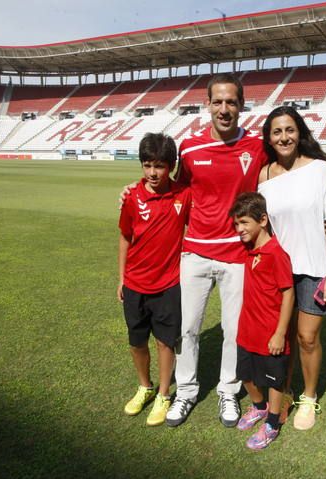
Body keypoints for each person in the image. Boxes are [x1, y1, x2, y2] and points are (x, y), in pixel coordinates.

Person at [164, 73, 269, 428]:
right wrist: (135, 187)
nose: (224, 109)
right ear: (207, 104)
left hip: (237, 255)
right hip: (194, 253)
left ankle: (228, 390)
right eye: (218, 102)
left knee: (233, 331)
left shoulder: (256, 145)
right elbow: (175, 192)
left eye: (231, 102)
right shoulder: (189, 147)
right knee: (188, 328)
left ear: (242, 105)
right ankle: (186, 392)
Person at [257, 106, 326, 431]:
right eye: (277, 131)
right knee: (283, 338)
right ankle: (285, 392)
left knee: (307, 337)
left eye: (289, 130)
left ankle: (309, 397)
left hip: (315, 269)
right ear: (269, 138)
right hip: (280, 272)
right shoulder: (264, 175)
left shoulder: (320, 170)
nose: (284, 137)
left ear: (300, 132)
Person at [118, 133, 192, 426]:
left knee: (164, 342)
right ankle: (144, 387)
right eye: (147, 165)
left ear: (171, 166)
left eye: (159, 166)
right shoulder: (132, 196)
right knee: (137, 342)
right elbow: (125, 236)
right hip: (135, 284)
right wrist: (121, 278)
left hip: (168, 285)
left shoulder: (183, 195)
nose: (152, 173)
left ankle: (163, 394)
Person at [229, 192, 294, 450]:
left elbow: (288, 293)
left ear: (263, 220)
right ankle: (258, 407)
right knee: (244, 375)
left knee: (274, 381)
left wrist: (280, 333)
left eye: (244, 222)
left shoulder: (277, 253)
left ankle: (273, 423)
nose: (239, 229)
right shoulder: (247, 248)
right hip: (247, 329)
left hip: (270, 332)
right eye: (236, 224)